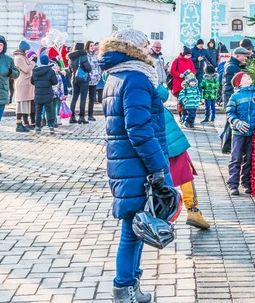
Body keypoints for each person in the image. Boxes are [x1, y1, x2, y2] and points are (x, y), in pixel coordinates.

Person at [99, 28, 172, 303]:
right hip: (137, 164)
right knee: (132, 230)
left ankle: (132, 286)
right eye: (144, 45)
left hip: (125, 161)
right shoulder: (136, 78)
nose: (149, 50)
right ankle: (124, 288)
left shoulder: (116, 76)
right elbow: (139, 129)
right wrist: (158, 167)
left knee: (139, 225)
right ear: (134, 48)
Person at [164, 106, 210, 230]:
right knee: (184, 173)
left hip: (162, 138)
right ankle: (192, 210)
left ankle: (162, 213)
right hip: (168, 138)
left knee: (166, 175)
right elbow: (163, 94)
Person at [31, 54, 58, 135]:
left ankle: (37, 127)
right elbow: (55, 82)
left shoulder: (35, 71)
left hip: (38, 94)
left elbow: (32, 82)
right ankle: (50, 126)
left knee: (38, 111)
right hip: (48, 94)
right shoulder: (50, 70)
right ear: (48, 62)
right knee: (49, 110)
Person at [13, 40, 36, 132]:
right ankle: (19, 124)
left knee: (25, 104)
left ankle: (23, 124)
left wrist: (30, 61)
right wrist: (33, 62)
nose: (28, 51)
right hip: (23, 83)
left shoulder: (22, 57)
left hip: (26, 83)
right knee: (22, 104)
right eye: (27, 50)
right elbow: (27, 69)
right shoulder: (19, 58)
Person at [68, 42, 92, 124]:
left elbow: (69, 70)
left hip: (74, 79)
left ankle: (72, 117)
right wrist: (89, 69)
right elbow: (88, 68)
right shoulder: (83, 55)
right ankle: (81, 117)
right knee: (83, 98)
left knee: (74, 98)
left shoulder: (71, 56)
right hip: (83, 79)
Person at [86, 41, 102, 122]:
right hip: (86, 79)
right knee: (83, 97)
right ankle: (81, 115)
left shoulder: (95, 56)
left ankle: (90, 114)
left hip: (95, 79)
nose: (92, 47)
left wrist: (99, 75)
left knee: (92, 98)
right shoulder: (85, 55)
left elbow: (98, 66)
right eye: (91, 46)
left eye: (93, 46)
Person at [50, 61, 66, 127]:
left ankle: (54, 120)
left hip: (56, 94)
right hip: (49, 94)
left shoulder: (59, 76)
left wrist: (62, 95)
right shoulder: (49, 76)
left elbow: (61, 86)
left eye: (56, 68)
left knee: (55, 108)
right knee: (49, 108)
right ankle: (49, 120)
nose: (55, 69)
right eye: (53, 68)